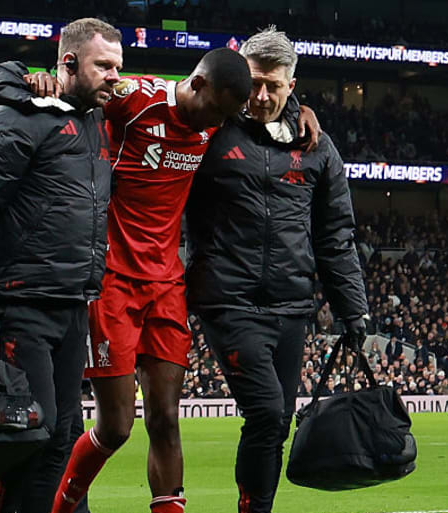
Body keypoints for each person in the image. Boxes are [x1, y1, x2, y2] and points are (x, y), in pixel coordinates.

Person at [50, 47, 253, 513]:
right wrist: (40, 79)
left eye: (227, 117)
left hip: (166, 285)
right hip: (113, 281)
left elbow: (270, 108)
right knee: (117, 426)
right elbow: (78, 90)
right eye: (216, 112)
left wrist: (302, 110)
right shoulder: (136, 97)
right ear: (197, 84)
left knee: (165, 418)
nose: (217, 125)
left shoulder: (216, 119)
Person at [183, 27, 368, 513]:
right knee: (266, 413)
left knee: (277, 420)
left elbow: (336, 235)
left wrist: (353, 311)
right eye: (254, 83)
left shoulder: (317, 146)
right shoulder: (210, 129)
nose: (261, 96)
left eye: (274, 86)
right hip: (227, 299)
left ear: (293, 84)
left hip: (290, 305)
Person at [0, 17, 122, 513]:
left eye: (118, 67)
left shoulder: (92, 119)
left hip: (70, 302)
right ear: (67, 63)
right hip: (20, 302)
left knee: (62, 435)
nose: (115, 77)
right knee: (25, 435)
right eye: (103, 66)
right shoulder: (16, 115)